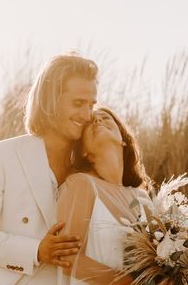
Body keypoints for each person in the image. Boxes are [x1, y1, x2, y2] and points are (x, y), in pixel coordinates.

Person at [0, 54, 98, 285]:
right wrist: (35, 251)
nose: (87, 115)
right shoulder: (0, 155)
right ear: (51, 100)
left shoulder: (90, 169)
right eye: (77, 103)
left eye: (91, 105)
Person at [56, 107, 151, 285]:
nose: (98, 121)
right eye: (90, 122)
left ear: (122, 139)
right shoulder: (81, 185)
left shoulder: (143, 198)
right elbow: (68, 259)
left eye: (105, 118)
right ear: (83, 150)